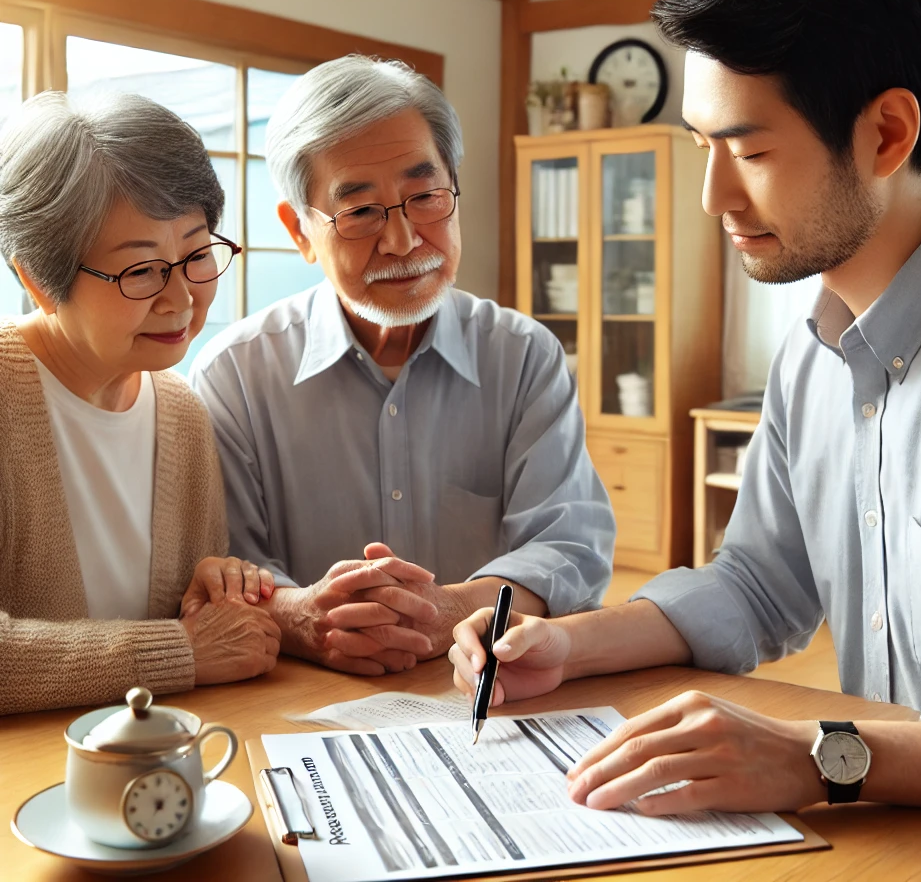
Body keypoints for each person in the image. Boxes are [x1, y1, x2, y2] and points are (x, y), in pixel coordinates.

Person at [449, 0, 921, 827]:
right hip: (897, 840)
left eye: (750, 150)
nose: (713, 195)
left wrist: (824, 755)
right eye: (701, 146)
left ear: (886, 134)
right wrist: (568, 643)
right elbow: (759, 582)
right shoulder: (814, 357)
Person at [189, 56, 614, 677]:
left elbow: (568, 547)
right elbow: (223, 569)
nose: (404, 240)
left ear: (454, 188)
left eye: (424, 196)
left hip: (490, 690)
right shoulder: (235, 376)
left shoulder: (523, 356)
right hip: (300, 698)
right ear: (300, 231)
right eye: (360, 212)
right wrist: (308, 618)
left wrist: (450, 611)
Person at [0, 91, 281, 715]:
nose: (180, 298)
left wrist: (217, 591)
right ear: (37, 281)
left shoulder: (181, 412)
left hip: (153, 770)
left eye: (197, 255)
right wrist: (178, 649)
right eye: (142, 270)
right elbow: (189, 650)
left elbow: (203, 623)